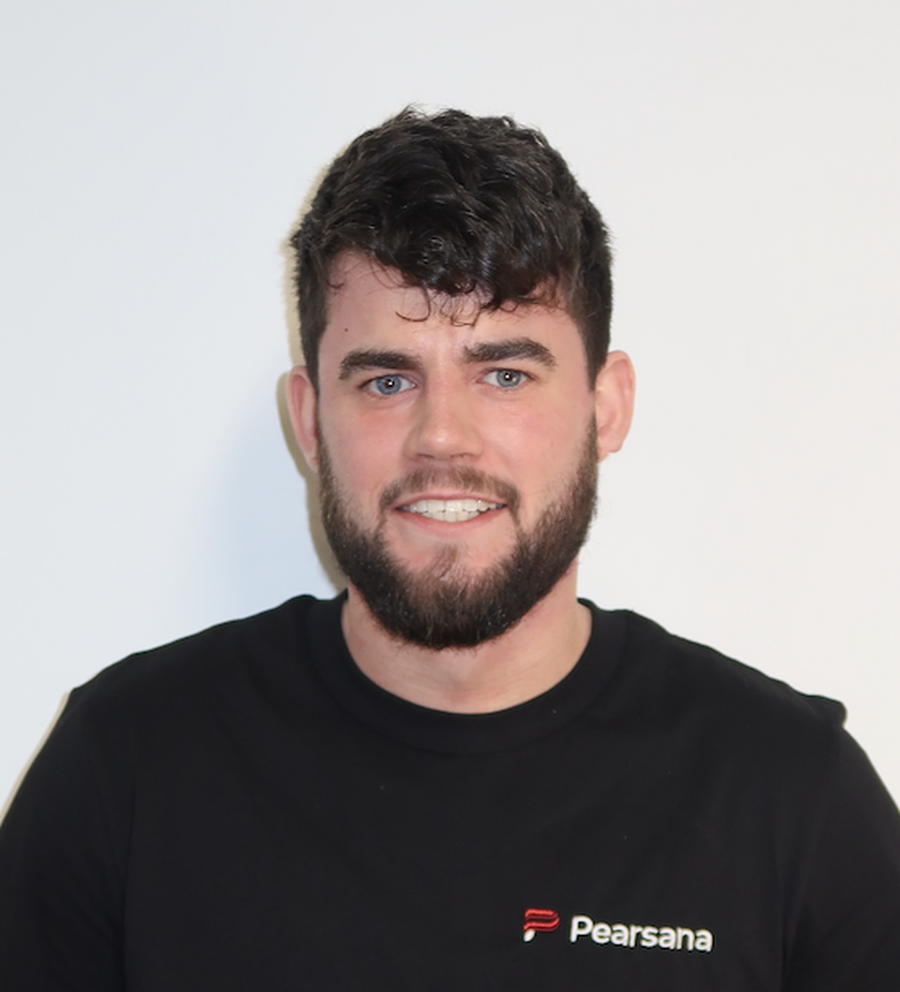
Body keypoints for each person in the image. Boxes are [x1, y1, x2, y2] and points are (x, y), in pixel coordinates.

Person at [1, 108, 899, 991]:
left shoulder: (792, 796)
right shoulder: (126, 769)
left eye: (504, 374)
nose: (442, 437)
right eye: (387, 381)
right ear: (310, 421)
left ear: (606, 408)